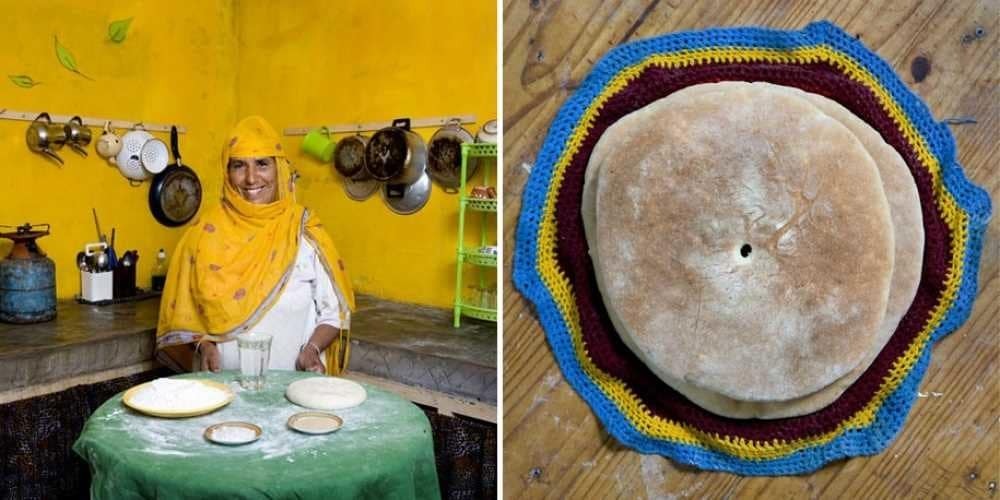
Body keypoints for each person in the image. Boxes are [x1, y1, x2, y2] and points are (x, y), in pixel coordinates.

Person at [155, 116, 355, 375]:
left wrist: (312, 350)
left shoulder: (303, 232)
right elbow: (187, 315)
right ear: (227, 172)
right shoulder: (203, 235)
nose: (251, 178)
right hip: (221, 394)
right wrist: (204, 346)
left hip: (294, 390)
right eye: (239, 165)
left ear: (279, 169)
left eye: (262, 164)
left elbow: (334, 312)